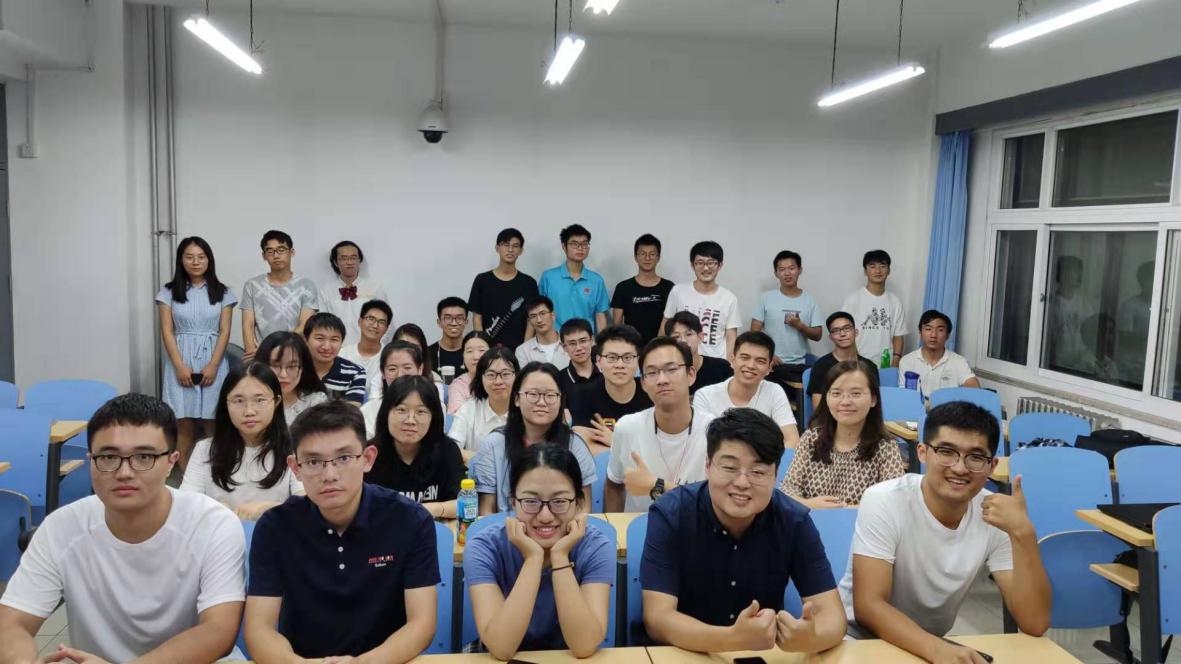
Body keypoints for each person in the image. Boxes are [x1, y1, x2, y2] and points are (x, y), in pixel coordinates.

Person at [0, 394, 245, 664]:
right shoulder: (61, 527)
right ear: (91, 461)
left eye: (144, 457)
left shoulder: (212, 524)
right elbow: (12, 624)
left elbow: (217, 631)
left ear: (171, 461)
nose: (124, 472)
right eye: (108, 457)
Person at [840, 402, 1051, 658]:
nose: (960, 468)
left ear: (992, 465)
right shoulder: (885, 500)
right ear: (923, 453)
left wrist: (1024, 533)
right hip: (858, 638)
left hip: (928, 645)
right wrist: (938, 650)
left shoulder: (995, 515)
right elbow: (869, 606)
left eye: (975, 457)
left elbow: (1034, 623)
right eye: (946, 452)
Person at [243, 400, 438, 662]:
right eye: (313, 461)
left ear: (368, 459)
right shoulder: (274, 527)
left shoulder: (410, 520)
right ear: (295, 468)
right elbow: (259, 629)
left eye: (344, 458)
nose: (330, 474)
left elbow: (421, 624)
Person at [640, 408, 846, 654]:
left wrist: (810, 638)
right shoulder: (671, 514)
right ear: (708, 465)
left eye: (758, 472)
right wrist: (730, 640)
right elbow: (657, 619)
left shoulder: (793, 521)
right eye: (729, 467)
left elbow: (833, 617)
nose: (742, 482)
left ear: (775, 476)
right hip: (682, 653)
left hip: (760, 656)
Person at [465, 444, 614, 659]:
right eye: (531, 502)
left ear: (579, 503)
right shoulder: (484, 547)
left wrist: (560, 556)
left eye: (559, 501)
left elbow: (583, 646)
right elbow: (501, 648)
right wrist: (533, 559)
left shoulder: (595, 546)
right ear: (513, 502)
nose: (545, 516)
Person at [181, 363, 304, 519]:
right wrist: (212, 509)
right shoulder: (204, 450)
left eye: (259, 400)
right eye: (238, 401)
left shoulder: (295, 448)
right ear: (226, 404)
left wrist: (269, 508)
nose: (249, 411)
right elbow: (186, 503)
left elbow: (307, 503)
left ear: (277, 401)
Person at [471, 362, 597, 514]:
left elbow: (583, 509)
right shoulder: (493, 444)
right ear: (516, 399)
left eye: (550, 395)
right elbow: (486, 512)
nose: (541, 402)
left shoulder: (575, 445)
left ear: (561, 401)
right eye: (533, 394)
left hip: (562, 527)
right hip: (507, 527)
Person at [605, 337, 712, 513]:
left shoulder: (714, 431)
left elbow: (717, 503)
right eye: (652, 372)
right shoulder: (627, 427)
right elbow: (614, 485)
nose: (662, 379)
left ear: (691, 374)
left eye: (671, 369)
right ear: (643, 383)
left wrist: (656, 485)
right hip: (641, 526)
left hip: (696, 527)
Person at [156, 236, 236, 470]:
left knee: (214, 423)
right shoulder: (168, 292)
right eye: (189, 257)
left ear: (209, 260)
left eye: (201, 257)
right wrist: (180, 367)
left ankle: (216, 477)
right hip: (180, 359)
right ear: (181, 260)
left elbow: (225, 331)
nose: (195, 262)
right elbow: (167, 330)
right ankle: (186, 481)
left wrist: (213, 365)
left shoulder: (223, 292)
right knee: (184, 425)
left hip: (214, 359)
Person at [780, 360, 905, 509]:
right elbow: (787, 489)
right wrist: (809, 504)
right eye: (836, 393)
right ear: (827, 398)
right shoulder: (811, 438)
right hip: (810, 520)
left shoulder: (886, 446)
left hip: (861, 523)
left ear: (873, 399)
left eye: (856, 394)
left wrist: (844, 511)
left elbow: (893, 502)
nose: (845, 402)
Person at [366, 376, 467, 519]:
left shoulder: (447, 450)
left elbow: (465, 503)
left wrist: (427, 510)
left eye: (421, 412)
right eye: (401, 410)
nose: (410, 420)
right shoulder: (369, 454)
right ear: (386, 413)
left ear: (433, 417)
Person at [693, 331, 800, 448]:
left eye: (760, 361)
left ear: (769, 368)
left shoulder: (774, 391)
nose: (751, 365)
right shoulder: (705, 396)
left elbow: (792, 439)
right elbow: (700, 444)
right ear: (732, 360)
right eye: (745, 358)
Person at [570, 324, 652, 456]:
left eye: (627, 358)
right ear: (598, 361)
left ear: (638, 361)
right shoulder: (584, 394)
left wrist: (615, 441)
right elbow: (583, 446)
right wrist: (633, 448)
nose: (620, 365)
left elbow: (661, 445)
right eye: (612, 358)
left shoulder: (651, 392)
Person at [240, 230, 319, 361]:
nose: (276, 255)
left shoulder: (306, 285)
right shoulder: (252, 285)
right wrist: (252, 355)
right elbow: (247, 325)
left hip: (296, 354)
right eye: (270, 251)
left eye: (281, 250)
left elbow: (304, 324)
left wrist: (277, 351)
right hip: (261, 355)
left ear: (291, 252)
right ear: (264, 256)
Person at [751, 250, 823, 391]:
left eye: (791, 268)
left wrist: (800, 326)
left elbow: (818, 335)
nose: (787, 273)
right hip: (771, 363)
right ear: (776, 273)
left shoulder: (809, 300)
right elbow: (754, 333)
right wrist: (768, 354)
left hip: (800, 365)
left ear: (799, 270)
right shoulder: (766, 298)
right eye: (782, 269)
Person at [660, 241, 741, 359]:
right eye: (700, 263)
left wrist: (729, 365)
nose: (706, 268)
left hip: (716, 361)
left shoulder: (729, 298)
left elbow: (731, 337)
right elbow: (664, 329)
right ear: (692, 265)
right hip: (682, 359)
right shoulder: (678, 291)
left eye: (711, 263)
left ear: (720, 265)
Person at [469, 227, 539, 349]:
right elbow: (477, 317)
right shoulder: (482, 280)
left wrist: (524, 349)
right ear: (497, 248)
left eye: (515, 246)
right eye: (506, 245)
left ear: (521, 251)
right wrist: (482, 346)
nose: (510, 250)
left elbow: (531, 319)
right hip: (488, 350)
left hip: (519, 351)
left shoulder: (529, 283)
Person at [361, 340, 445, 438]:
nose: (400, 375)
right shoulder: (368, 410)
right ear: (383, 373)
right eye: (392, 369)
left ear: (420, 369)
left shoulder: (435, 405)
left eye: (407, 368)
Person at [451, 346, 519, 463]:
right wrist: (486, 462)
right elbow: (451, 448)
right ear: (481, 378)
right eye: (491, 374)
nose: (498, 381)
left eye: (505, 374)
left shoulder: (526, 408)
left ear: (517, 376)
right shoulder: (469, 408)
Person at [539, 224, 610, 332]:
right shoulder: (548, 277)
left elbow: (600, 315)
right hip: (555, 338)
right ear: (564, 246)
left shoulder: (596, 280)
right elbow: (539, 311)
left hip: (585, 339)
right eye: (574, 244)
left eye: (584, 244)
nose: (580, 248)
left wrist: (600, 341)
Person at [318, 240, 391, 346]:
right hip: (337, 351)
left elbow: (386, 322)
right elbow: (322, 325)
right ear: (336, 262)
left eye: (353, 257)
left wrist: (374, 347)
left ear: (359, 260)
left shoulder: (375, 289)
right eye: (344, 258)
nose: (349, 262)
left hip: (368, 350)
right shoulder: (325, 291)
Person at [840, 249, 905, 367]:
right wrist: (854, 359)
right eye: (872, 266)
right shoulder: (853, 300)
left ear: (889, 270)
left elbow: (898, 336)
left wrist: (895, 362)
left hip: (886, 364)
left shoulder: (896, 302)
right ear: (865, 271)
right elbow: (844, 334)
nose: (878, 271)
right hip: (859, 363)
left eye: (883, 266)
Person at [897, 310, 980, 399]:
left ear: (947, 335)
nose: (933, 335)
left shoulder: (959, 361)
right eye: (928, 329)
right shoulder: (907, 361)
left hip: (947, 407)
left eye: (940, 330)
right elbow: (904, 395)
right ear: (920, 333)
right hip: (916, 407)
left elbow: (973, 386)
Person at [807, 312, 880, 412]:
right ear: (831, 337)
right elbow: (818, 409)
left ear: (856, 332)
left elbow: (874, 404)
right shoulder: (821, 366)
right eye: (836, 331)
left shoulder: (870, 367)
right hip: (832, 419)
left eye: (847, 328)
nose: (842, 334)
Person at [611, 234, 674, 345]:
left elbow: (671, 323)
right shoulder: (623, 287)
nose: (647, 258)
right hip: (631, 348)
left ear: (658, 257)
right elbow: (617, 326)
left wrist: (659, 345)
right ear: (636, 257)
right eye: (643, 254)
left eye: (652, 254)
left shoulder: (669, 287)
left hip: (661, 346)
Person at [255, 332, 329, 425]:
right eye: (276, 366)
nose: (283, 375)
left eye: (292, 366)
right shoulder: (248, 401)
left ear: (303, 368)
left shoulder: (315, 403)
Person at [303, 312, 368, 404]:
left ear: (341, 342)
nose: (326, 347)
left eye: (334, 340)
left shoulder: (355, 373)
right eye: (320, 338)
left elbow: (352, 410)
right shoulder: (294, 368)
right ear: (305, 339)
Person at [664, 312, 732, 394]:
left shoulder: (722, 368)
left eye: (689, 334)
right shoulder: (664, 374)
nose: (683, 340)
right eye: (676, 336)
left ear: (701, 337)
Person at [340, 299, 393, 399]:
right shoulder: (342, 354)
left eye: (381, 322)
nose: (375, 325)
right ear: (360, 322)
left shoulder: (390, 357)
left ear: (386, 328)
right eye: (371, 319)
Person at [515, 296, 570, 369]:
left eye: (543, 313)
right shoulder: (523, 351)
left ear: (553, 315)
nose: (539, 320)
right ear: (529, 321)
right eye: (533, 316)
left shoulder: (570, 343)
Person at [447, 330, 492, 415]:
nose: (476, 357)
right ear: (463, 356)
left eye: (481, 350)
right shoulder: (458, 386)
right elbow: (457, 416)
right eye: (469, 351)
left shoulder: (500, 380)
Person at [428, 296, 469, 379]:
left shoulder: (474, 354)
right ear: (439, 322)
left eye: (459, 318)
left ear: (466, 322)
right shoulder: (427, 354)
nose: (454, 323)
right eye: (448, 318)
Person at [556, 318, 601, 395]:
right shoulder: (559, 380)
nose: (579, 348)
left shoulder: (607, 372)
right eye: (572, 343)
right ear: (564, 347)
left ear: (592, 340)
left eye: (583, 341)